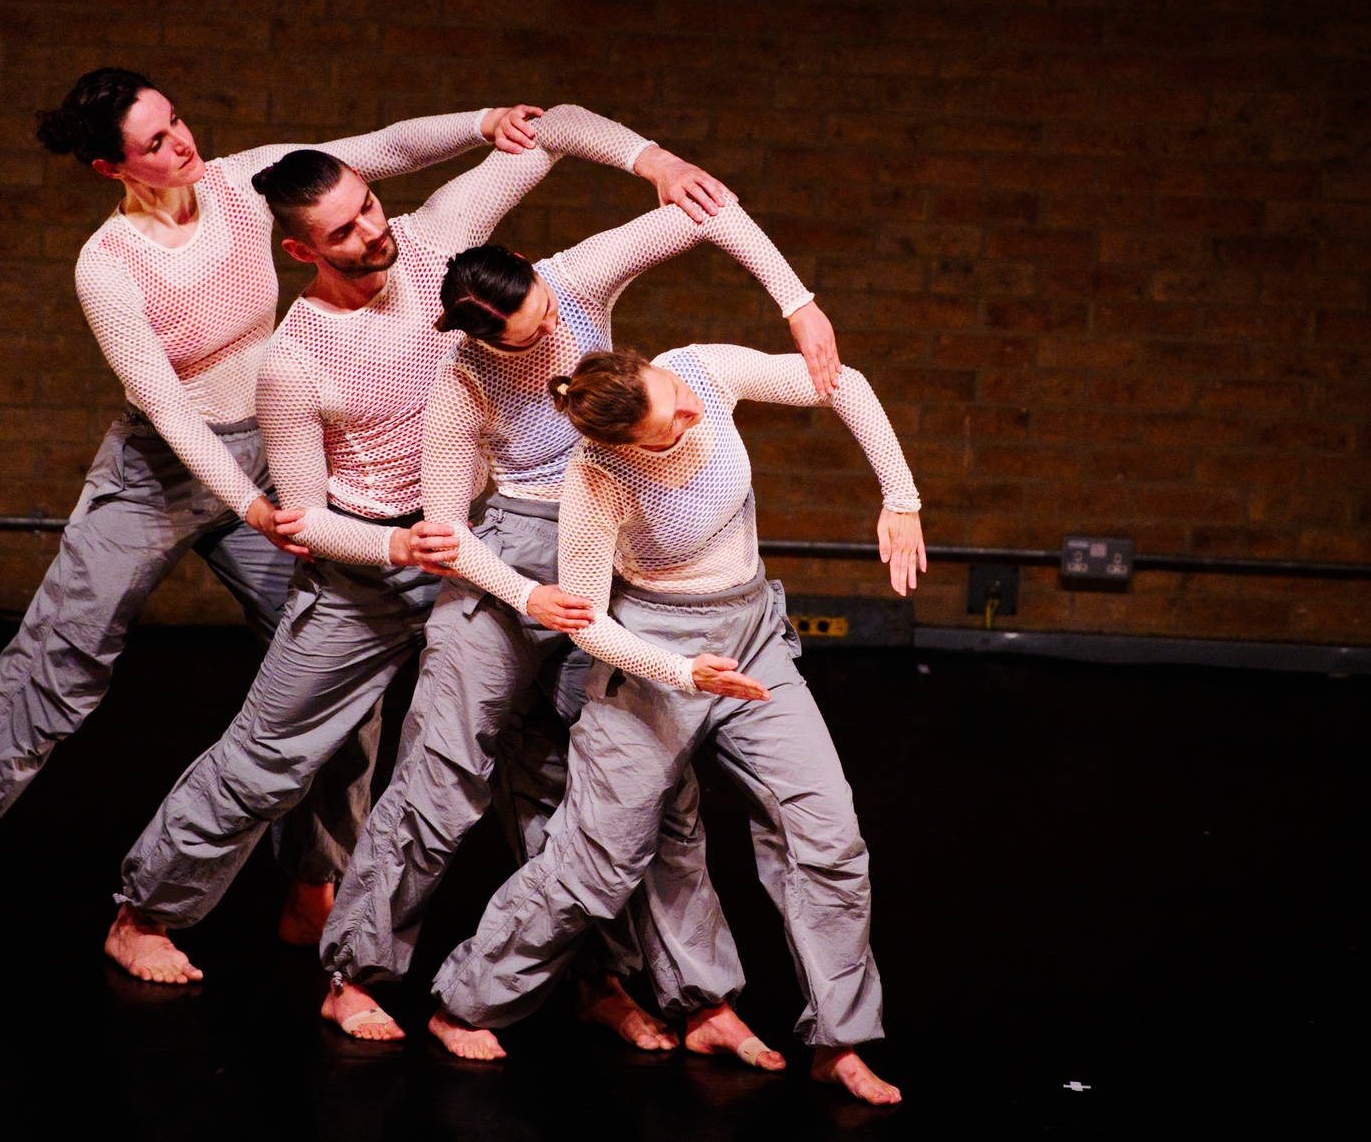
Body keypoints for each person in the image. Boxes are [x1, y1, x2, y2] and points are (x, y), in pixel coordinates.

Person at [0, 66, 543, 935]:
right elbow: (168, 407)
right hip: (161, 472)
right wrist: (250, 506)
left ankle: (313, 885)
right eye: (154, 142)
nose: (181, 143)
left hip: (272, 453)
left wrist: (483, 121)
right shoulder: (109, 265)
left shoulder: (240, 184)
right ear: (112, 168)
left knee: (334, 662)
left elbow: (382, 149)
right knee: (62, 658)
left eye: (177, 121)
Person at [102, 104, 745, 983]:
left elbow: (552, 130)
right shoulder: (294, 362)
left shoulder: (436, 237)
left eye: (368, 206)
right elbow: (302, 519)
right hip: (366, 568)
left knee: (543, 764)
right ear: (300, 251)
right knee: (271, 755)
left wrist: (651, 161)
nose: (371, 232)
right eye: (343, 231)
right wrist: (398, 550)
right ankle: (144, 913)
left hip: (478, 548)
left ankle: (599, 978)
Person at [318, 205, 839, 1062]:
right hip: (509, 569)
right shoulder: (462, 385)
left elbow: (707, 211)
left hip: (609, 554)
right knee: (441, 777)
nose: (551, 327)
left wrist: (799, 304)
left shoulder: (575, 279)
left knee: (637, 795)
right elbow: (447, 533)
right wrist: (530, 596)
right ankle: (354, 974)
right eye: (528, 332)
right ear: (483, 338)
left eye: (545, 308)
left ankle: (659, 991)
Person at [430, 343, 925, 1106]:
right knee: (598, 860)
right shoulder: (596, 477)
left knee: (827, 831)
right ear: (625, 443)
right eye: (670, 424)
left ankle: (841, 1040)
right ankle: (464, 1002)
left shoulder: (699, 369)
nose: (690, 412)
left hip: (751, 637)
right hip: (654, 653)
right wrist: (684, 671)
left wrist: (901, 496)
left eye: (672, 394)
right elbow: (588, 621)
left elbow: (842, 381)